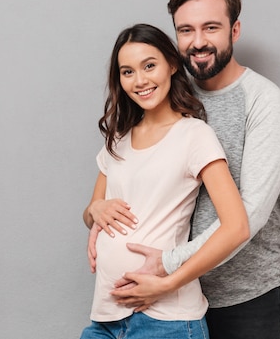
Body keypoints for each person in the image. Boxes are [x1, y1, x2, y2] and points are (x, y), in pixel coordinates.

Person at [88, 0, 280, 339]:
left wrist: (169, 267)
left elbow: (252, 213)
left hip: (241, 297)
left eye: (210, 27)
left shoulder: (262, 101)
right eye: (186, 30)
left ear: (235, 29)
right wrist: (95, 212)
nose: (198, 41)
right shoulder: (162, 95)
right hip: (163, 302)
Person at [80, 23, 249, 339]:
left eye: (149, 66)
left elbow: (237, 226)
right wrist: (96, 210)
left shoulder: (194, 136)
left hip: (166, 321)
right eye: (127, 72)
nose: (140, 80)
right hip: (105, 319)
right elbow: (91, 211)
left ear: (172, 64)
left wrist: (168, 282)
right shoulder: (117, 140)